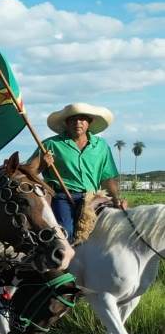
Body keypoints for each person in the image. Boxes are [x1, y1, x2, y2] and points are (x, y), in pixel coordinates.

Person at [32, 102, 126, 239]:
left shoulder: (101, 146)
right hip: (63, 197)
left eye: (82, 119)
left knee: (111, 232)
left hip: (92, 197)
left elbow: (107, 177)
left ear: (89, 122)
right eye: (73, 119)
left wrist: (117, 200)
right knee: (66, 234)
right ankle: (64, 259)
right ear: (66, 123)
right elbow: (30, 172)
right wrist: (42, 165)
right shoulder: (50, 144)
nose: (78, 122)